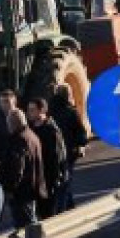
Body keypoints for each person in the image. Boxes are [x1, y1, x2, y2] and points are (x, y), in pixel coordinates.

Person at [0, 108, 43, 230]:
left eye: (9, 123)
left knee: (27, 225)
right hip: (32, 186)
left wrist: (10, 188)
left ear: (14, 124)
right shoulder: (32, 136)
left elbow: (17, 168)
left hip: (21, 192)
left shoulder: (18, 140)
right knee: (31, 220)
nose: (8, 127)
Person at [23, 98, 66, 220]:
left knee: (49, 214)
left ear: (42, 110)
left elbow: (58, 156)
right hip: (36, 179)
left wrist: (56, 178)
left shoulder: (51, 130)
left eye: (32, 110)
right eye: (28, 110)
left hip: (49, 179)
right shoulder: (30, 129)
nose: (29, 113)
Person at [48, 85, 87, 213]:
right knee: (64, 184)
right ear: (68, 95)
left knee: (63, 184)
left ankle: (71, 210)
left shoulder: (49, 112)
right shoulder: (71, 112)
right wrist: (80, 145)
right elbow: (81, 134)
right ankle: (62, 213)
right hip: (68, 154)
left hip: (52, 153)